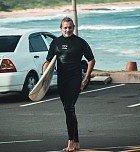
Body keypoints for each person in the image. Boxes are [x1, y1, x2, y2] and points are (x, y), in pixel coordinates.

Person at [43, 17, 95, 151]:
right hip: (62, 80)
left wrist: (85, 78)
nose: (68, 30)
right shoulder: (55, 43)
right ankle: (77, 142)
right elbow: (48, 61)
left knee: (68, 108)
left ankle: (70, 142)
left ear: (74, 27)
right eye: (65, 27)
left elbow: (91, 60)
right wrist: (44, 76)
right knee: (69, 110)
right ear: (61, 28)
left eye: (70, 27)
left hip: (75, 79)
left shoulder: (80, 43)